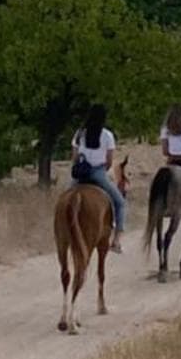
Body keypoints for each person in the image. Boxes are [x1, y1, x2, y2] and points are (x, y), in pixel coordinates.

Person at [71, 103, 126, 252]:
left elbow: (74, 157)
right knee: (120, 202)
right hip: (98, 172)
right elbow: (109, 161)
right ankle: (116, 241)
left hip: (80, 174)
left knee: (64, 199)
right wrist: (101, 171)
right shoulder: (107, 135)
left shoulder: (79, 133)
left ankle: (62, 233)